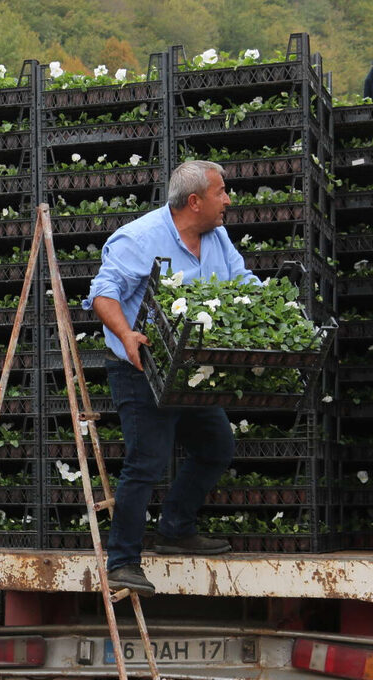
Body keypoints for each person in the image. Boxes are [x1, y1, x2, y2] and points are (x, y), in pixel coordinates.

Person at [82, 160, 259, 597]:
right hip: (140, 365)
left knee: (216, 448)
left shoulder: (216, 237)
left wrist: (279, 314)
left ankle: (175, 527)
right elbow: (102, 293)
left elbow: (243, 282)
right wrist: (126, 335)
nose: (228, 200)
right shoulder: (140, 238)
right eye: (221, 192)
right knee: (146, 461)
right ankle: (123, 561)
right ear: (195, 200)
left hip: (190, 368)